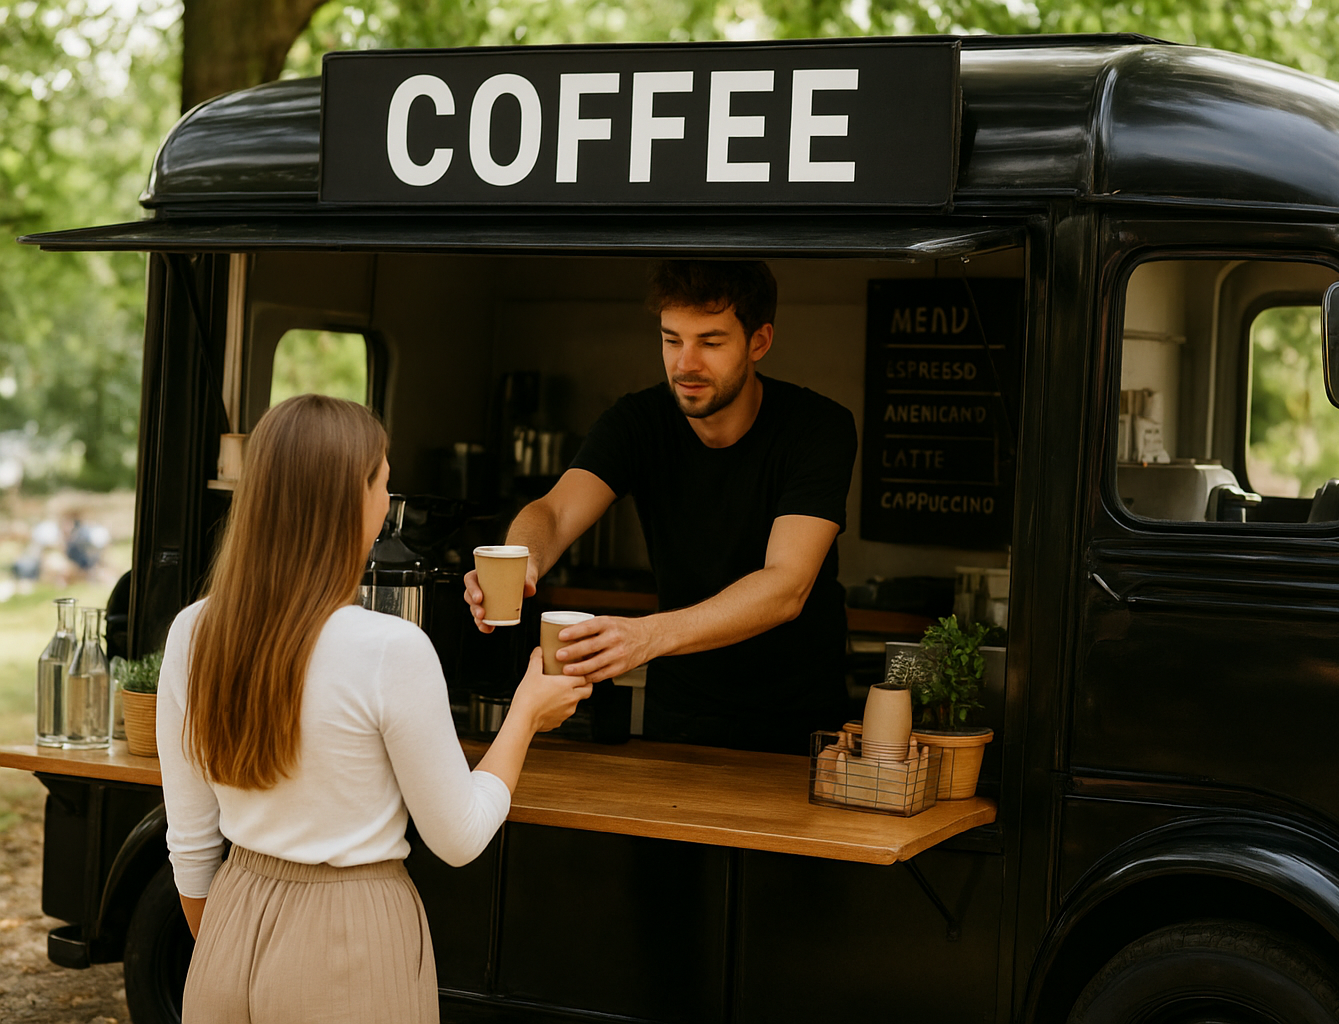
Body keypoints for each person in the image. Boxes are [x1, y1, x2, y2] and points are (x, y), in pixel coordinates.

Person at [158, 395, 590, 1024]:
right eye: (384, 484)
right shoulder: (390, 648)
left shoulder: (192, 632)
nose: (388, 504)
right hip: (349, 941)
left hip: (226, 932)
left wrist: (233, 943)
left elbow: (191, 845)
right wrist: (526, 712)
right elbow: (460, 836)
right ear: (351, 502)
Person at [464, 261, 858, 754]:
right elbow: (555, 512)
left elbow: (786, 586)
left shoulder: (817, 428)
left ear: (758, 342)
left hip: (799, 720)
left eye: (710, 343)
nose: (685, 364)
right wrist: (518, 563)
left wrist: (647, 636)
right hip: (679, 712)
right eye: (672, 340)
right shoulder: (637, 421)